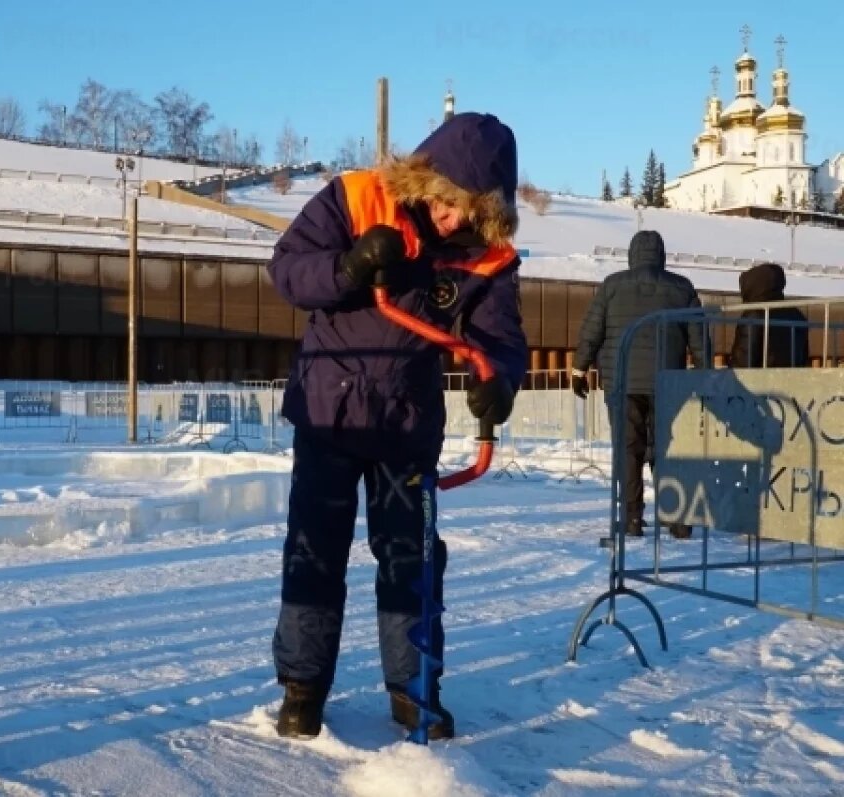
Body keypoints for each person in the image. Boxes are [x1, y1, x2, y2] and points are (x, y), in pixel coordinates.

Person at [268, 112, 527, 741]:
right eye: (445, 203)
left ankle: (414, 690)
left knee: (411, 558)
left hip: (406, 423)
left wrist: (499, 381)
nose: (452, 221)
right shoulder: (356, 198)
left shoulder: (487, 256)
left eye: (470, 210)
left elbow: (499, 336)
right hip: (329, 411)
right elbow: (286, 270)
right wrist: (349, 269)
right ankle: (303, 688)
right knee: (314, 550)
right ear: (424, 179)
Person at [571, 230, 705, 538]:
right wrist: (705, 372)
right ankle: (676, 518)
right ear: (661, 254)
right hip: (668, 383)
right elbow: (698, 337)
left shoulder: (612, 286)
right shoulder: (681, 288)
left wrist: (579, 370)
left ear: (632, 254)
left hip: (622, 383)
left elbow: (592, 331)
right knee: (667, 447)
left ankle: (632, 518)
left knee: (627, 449)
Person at [729, 262, 809, 368]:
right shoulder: (797, 315)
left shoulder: (754, 314)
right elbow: (802, 358)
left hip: (760, 382)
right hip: (791, 380)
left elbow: (744, 359)